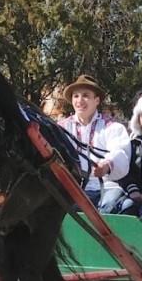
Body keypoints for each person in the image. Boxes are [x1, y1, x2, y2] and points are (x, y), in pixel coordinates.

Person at [58, 75, 130, 213]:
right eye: (76, 96)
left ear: (96, 100)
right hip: (75, 187)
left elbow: (120, 152)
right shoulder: (62, 128)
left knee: (108, 208)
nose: (80, 101)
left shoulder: (112, 127)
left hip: (107, 186)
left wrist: (106, 166)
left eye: (85, 95)